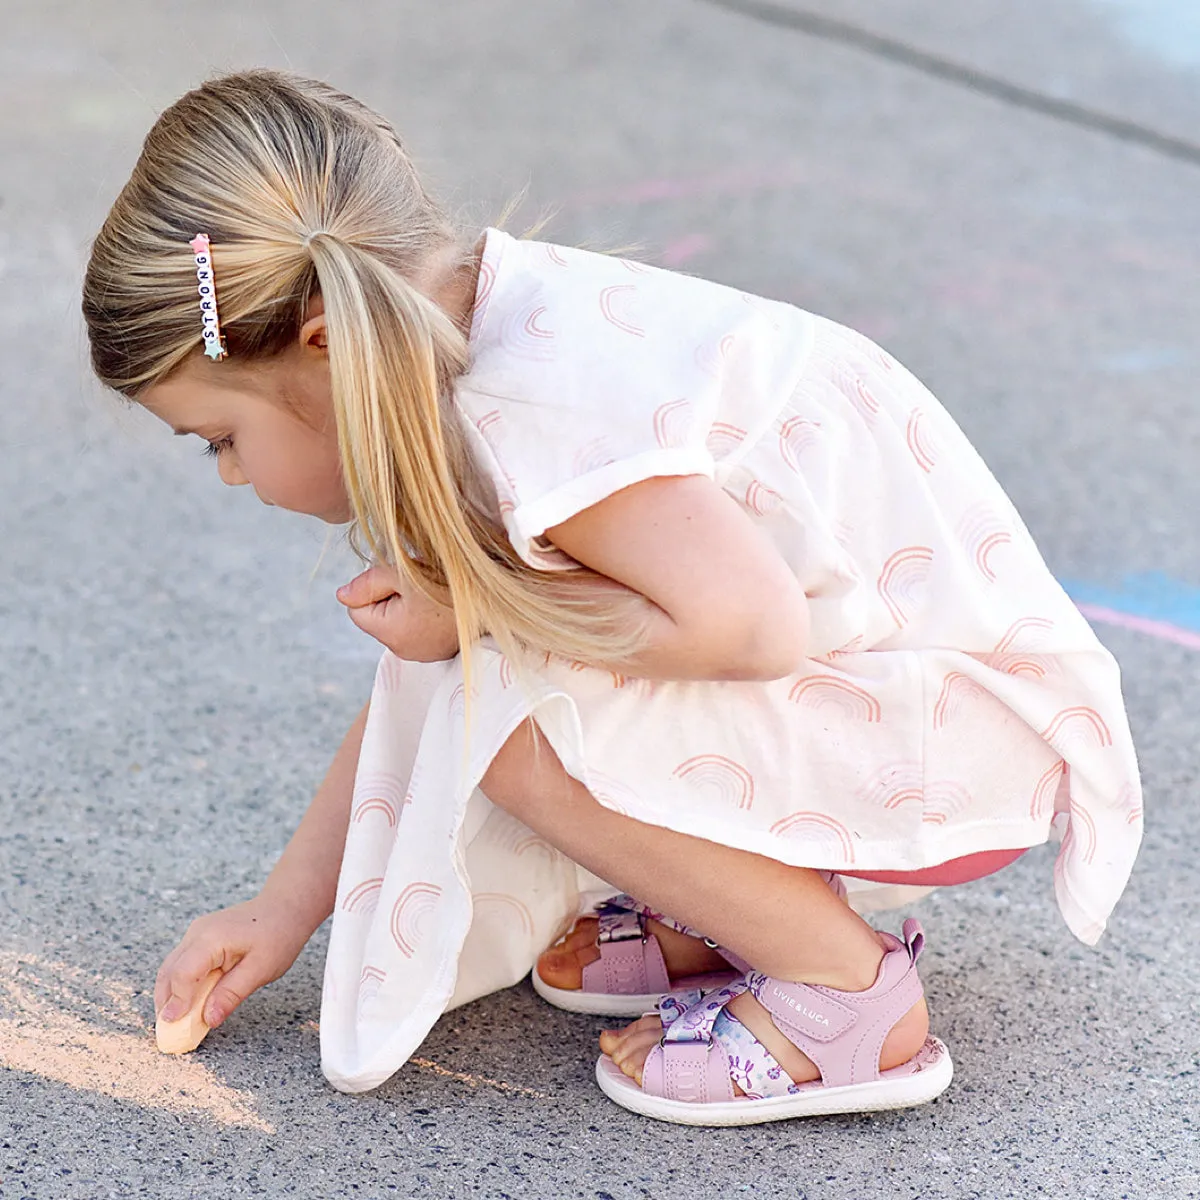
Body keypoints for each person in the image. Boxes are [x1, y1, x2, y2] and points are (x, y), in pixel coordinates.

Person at [82, 70, 1142, 1125]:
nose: (229, 474)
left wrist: (482, 614)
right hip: (915, 702)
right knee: (497, 666)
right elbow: (430, 677)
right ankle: (734, 914)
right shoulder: (480, 327)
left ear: (323, 347)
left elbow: (750, 626)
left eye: (222, 439)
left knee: (514, 712)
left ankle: (840, 995)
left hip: (957, 743)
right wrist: (281, 910)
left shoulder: (532, 413)